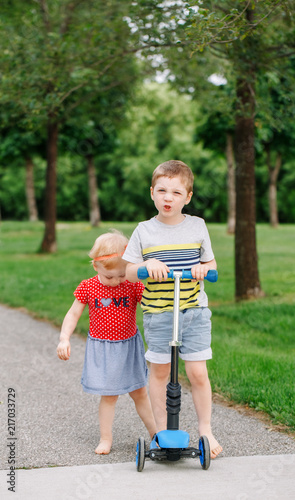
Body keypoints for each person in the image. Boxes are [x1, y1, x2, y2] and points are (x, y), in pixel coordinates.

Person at [123, 160, 222, 459]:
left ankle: (205, 429)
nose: (168, 198)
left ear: (187, 197)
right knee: (160, 372)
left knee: (197, 373)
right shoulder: (144, 231)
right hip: (159, 313)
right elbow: (129, 271)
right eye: (162, 190)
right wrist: (145, 265)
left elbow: (212, 264)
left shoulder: (197, 226)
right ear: (152, 193)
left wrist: (203, 269)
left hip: (193, 311)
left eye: (176, 193)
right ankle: (161, 432)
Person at [56, 230, 156, 455]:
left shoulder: (132, 284)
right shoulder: (89, 287)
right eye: (109, 277)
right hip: (102, 348)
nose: (116, 281)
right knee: (109, 396)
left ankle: (155, 434)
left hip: (129, 346)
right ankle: (106, 438)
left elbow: (150, 307)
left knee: (140, 392)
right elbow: (72, 315)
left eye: (121, 275)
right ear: (96, 267)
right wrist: (64, 338)